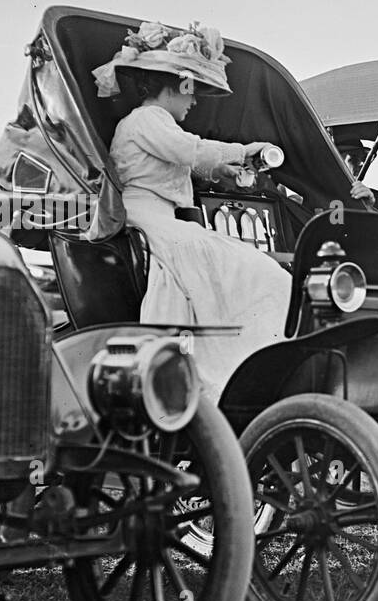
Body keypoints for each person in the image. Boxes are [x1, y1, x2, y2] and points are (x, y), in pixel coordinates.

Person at [92, 20, 292, 398]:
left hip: (163, 221)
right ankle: (227, 371)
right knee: (254, 272)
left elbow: (188, 159)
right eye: (191, 91)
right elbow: (191, 150)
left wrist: (225, 169)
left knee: (231, 270)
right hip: (147, 220)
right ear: (174, 86)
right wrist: (242, 151)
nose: (194, 101)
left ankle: (233, 366)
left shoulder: (155, 124)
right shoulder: (146, 119)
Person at [336, 137, 378, 211]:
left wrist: (369, 208)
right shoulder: (317, 193)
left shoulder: (375, 198)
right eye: (354, 158)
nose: (361, 163)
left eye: (363, 158)